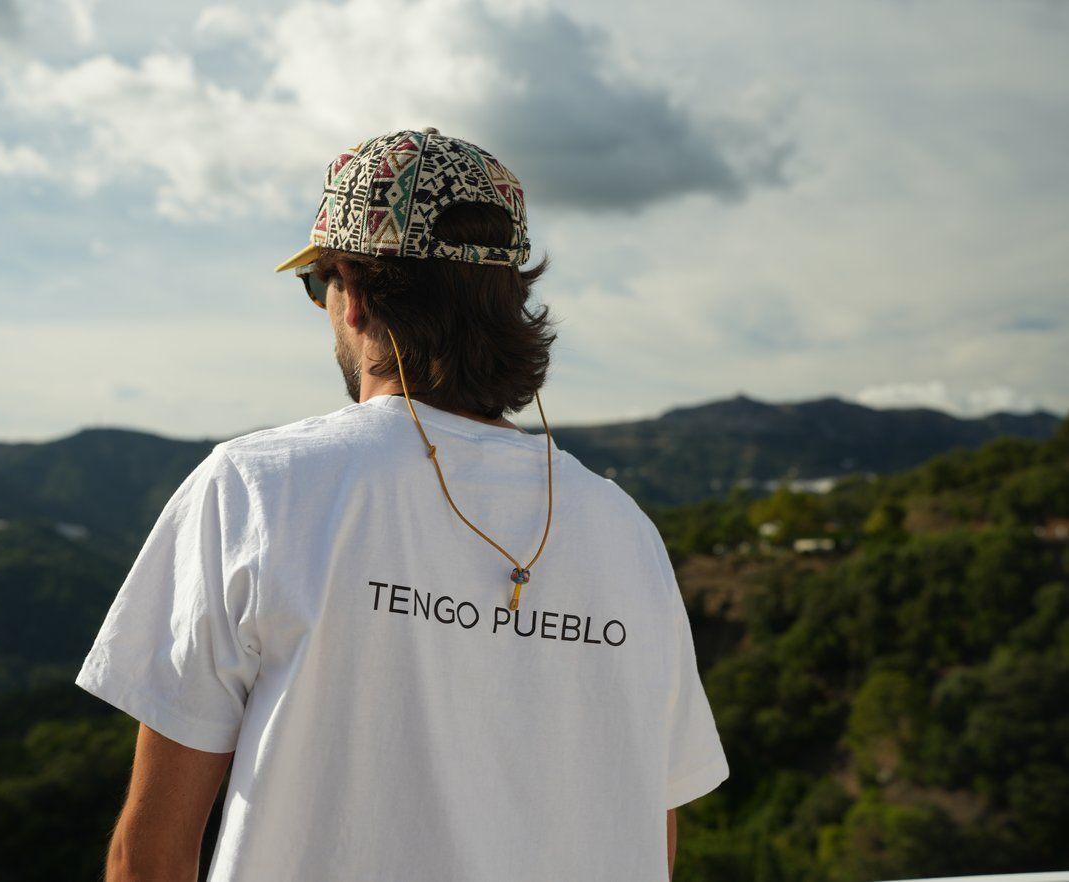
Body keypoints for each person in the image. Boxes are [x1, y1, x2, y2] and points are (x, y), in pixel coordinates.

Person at [76, 127, 729, 881]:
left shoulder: (257, 489)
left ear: (351, 292)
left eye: (316, 283)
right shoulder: (626, 531)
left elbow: (150, 855)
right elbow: (652, 836)